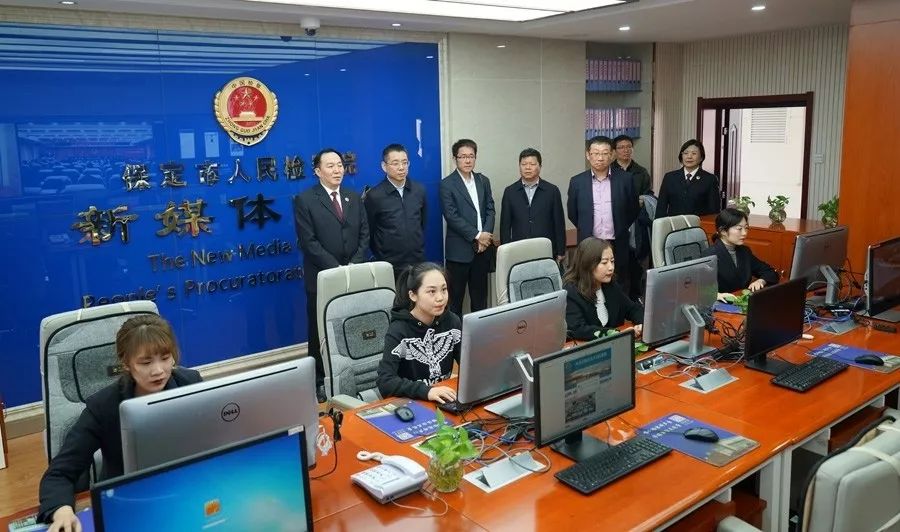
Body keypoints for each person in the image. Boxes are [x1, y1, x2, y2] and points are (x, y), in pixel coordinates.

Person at [38, 315, 202, 530]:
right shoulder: (104, 407)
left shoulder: (191, 384)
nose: (158, 370)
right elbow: (60, 473)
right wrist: (62, 510)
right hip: (128, 506)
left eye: (165, 358)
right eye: (145, 362)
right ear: (126, 363)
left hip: (186, 494)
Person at [293, 148, 369, 401]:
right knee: (319, 331)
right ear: (317, 171)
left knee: (351, 326)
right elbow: (308, 242)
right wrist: (336, 269)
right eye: (330, 166)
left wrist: (354, 264)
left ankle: (354, 376)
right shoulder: (305, 200)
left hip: (353, 274)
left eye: (339, 165)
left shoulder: (353, 197)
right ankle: (318, 380)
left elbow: (364, 234)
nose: (337, 170)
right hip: (322, 278)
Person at [376, 262, 462, 403]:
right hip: (413, 402)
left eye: (444, 289)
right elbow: (385, 381)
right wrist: (426, 391)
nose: (440, 297)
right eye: (432, 291)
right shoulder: (399, 330)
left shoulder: (452, 321)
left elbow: (469, 364)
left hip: (444, 399)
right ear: (413, 295)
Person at [567, 135, 639, 296]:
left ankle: (619, 312)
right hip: (589, 243)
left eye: (605, 153)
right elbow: (573, 213)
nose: (600, 158)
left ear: (612, 155)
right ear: (588, 155)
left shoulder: (626, 180)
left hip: (616, 241)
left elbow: (633, 209)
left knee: (619, 282)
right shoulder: (577, 182)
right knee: (588, 281)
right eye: (596, 153)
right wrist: (586, 228)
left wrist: (620, 226)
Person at [440, 138, 495, 315]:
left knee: (480, 300)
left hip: (482, 250)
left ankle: (480, 333)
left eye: (471, 156)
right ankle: (456, 333)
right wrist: (478, 235)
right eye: (463, 156)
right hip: (459, 252)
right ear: (455, 159)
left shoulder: (483, 180)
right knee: (455, 301)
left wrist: (486, 236)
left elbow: (490, 209)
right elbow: (451, 216)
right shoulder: (447, 184)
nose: (467, 160)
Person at [364, 143, 427, 278]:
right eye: (395, 163)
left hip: (417, 261)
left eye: (405, 162)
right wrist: (382, 254)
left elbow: (421, 222)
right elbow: (370, 231)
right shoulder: (374, 196)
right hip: (389, 264)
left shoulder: (419, 190)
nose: (401, 167)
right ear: (384, 166)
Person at [563, 237, 644, 341]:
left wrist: (641, 324)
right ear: (588, 264)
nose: (611, 267)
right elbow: (579, 329)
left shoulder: (611, 285)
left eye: (612, 261)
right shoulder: (571, 292)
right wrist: (616, 334)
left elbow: (633, 309)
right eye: (604, 263)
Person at [498, 147, 566, 262]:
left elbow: (559, 223)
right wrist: (505, 251)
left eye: (532, 164)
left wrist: (561, 250)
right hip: (518, 250)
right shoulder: (510, 192)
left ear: (540, 166)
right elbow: (505, 225)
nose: (528, 168)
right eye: (524, 164)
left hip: (545, 249)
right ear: (519, 166)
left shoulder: (552, 191)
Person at [702, 207, 779, 300]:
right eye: (739, 229)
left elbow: (769, 272)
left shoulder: (744, 251)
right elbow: (697, 289)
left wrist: (761, 281)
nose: (744, 233)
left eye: (746, 228)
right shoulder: (709, 255)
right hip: (721, 304)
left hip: (742, 301)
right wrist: (716, 295)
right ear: (723, 231)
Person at [656, 139, 720, 217]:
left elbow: (714, 210)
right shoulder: (670, 177)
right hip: (674, 223)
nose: (689, 157)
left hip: (698, 224)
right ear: (681, 156)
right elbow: (661, 207)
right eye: (686, 153)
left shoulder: (710, 179)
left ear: (701, 157)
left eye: (694, 153)